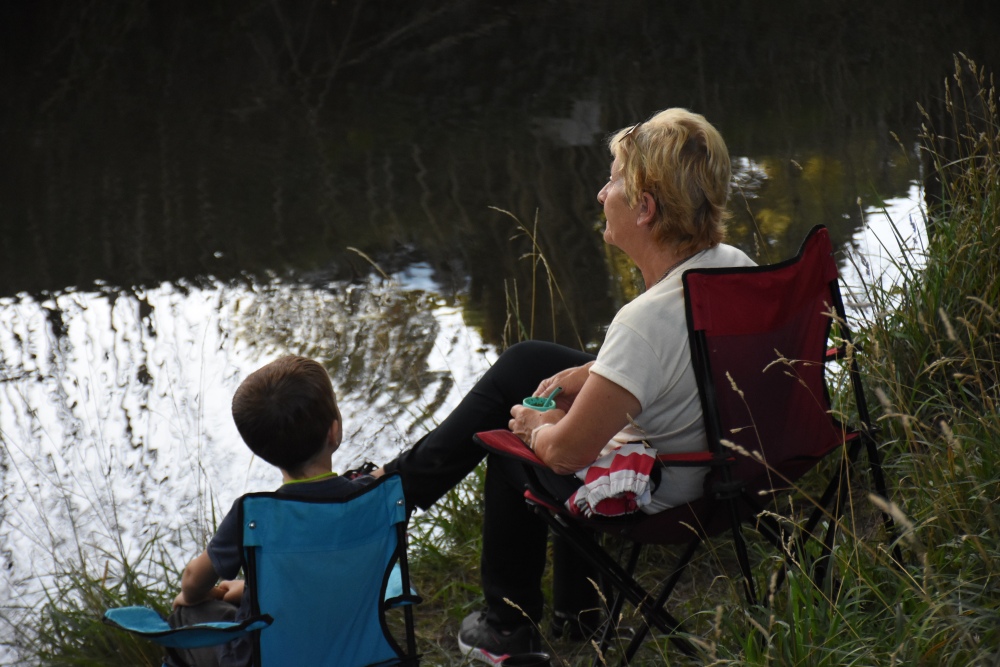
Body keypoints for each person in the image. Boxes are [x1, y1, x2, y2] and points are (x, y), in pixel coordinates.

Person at [377, 108, 757, 664]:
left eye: (614, 181)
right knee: (528, 362)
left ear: (646, 209)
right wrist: (596, 372)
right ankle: (574, 609)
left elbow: (564, 454)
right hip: (736, 464)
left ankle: (507, 628)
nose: (602, 193)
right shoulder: (734, 266)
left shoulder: (643, 322)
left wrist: (537, 426)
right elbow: (680, 359)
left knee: (504, 444)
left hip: (677, 489)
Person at [166, 355, 376, 667]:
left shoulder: (254, 516)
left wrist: (190, 598)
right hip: (353, 648)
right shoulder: (370, 499)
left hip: (267, 658)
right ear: (334, 432)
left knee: (186, 614)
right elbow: (320, 572)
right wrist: (250, 591)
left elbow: (193, 579)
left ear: (262, 453)